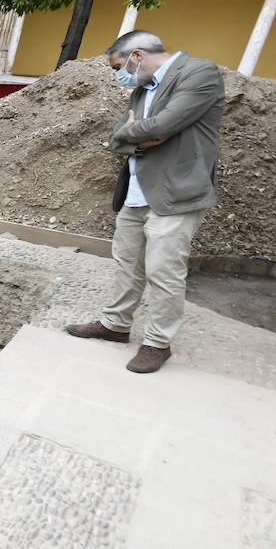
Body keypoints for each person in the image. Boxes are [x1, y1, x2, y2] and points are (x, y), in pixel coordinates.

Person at [64, 30, 225, 373]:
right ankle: (115, 325)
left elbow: (165, 123)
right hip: (136, 191)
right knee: (127, 263)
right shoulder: (142, 90)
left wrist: (142, 131)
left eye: (119, 66)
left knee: (164, 270)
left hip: (176, 192)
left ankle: (157, 343)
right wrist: (139, 137)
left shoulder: (200, 73)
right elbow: (116, 139)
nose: (119, 75)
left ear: (137, 56)